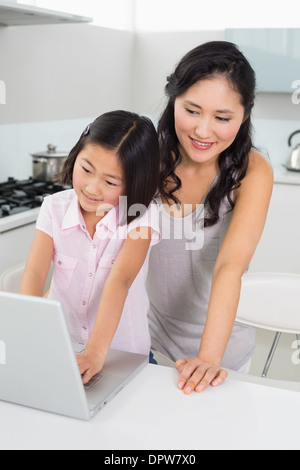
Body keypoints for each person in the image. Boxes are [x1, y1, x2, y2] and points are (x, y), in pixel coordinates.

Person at [146, 41, 274, 394]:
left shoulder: (252, 171)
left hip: (221, 357)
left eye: (222, 118)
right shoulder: (145, 158)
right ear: (173, 99)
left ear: (244, 115)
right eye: (192, 110)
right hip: (147, 347)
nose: (203, 131)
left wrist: (207, 358)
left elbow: (229, 265)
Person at [19, 110, 161, 384]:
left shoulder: (141, 215)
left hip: (123, 355)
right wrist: (27, 329)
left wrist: (95, 353)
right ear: (75, 155)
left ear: (134, 182)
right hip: (63, 347)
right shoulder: (54, 208)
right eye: (86, 169)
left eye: (110, 182)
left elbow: (120, 280)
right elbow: (35, 274)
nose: (92, 188)